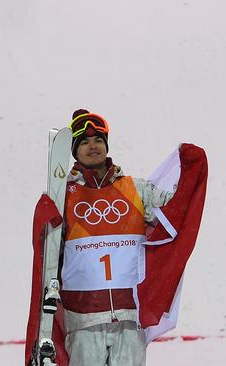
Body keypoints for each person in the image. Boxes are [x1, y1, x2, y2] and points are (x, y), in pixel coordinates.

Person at [59, 109, 174, 365]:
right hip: (83, 317)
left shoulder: (136, 189)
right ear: (75, 151)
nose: (93, 146)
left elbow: (174, 213)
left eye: (98, 140)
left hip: (129, 315)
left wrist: (190, 172)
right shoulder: (63, 195)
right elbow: (46, 250)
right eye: (85, 142)